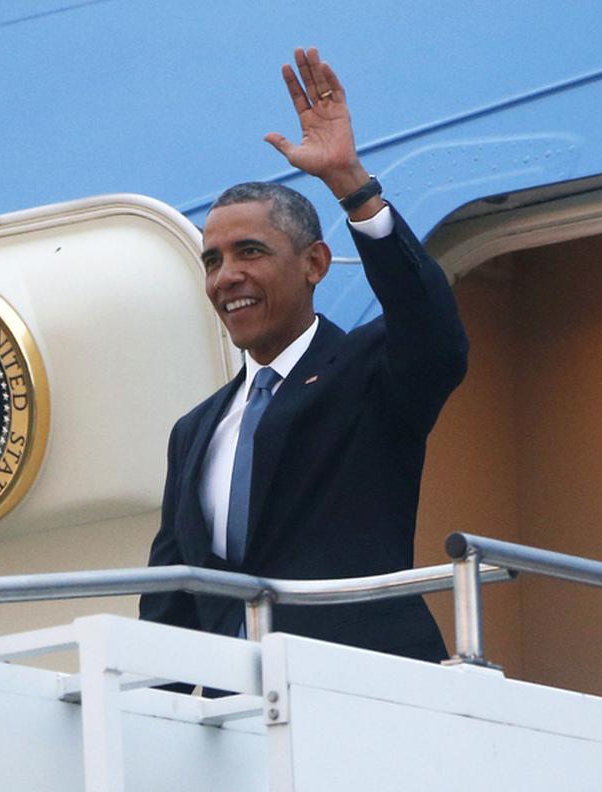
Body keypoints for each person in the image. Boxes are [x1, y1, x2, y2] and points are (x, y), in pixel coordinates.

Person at [139, 48, 468, 662]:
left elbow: (434, 333)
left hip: (362, 690)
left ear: (315, 264)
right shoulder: (194, 431)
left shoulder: (369, 372)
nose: (225, 276)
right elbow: (173, 598)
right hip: (234, 715)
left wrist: (351, 184)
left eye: (250, 253)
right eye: (213, 261)